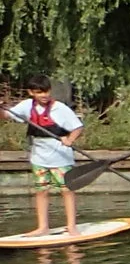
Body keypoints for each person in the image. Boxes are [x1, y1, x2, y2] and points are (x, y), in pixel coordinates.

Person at [7, 76, 84, 237]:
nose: (44, 95)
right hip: (39, 159)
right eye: (39, 92)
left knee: (67, 190)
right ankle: (43, 227)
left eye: (46, 91)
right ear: (31, 92)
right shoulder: (27, 106)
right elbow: (6, 115)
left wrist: (70, 139)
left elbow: (77, 127)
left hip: (61, 159)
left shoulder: (60, 109)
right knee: (41, 191)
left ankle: (71, 226)